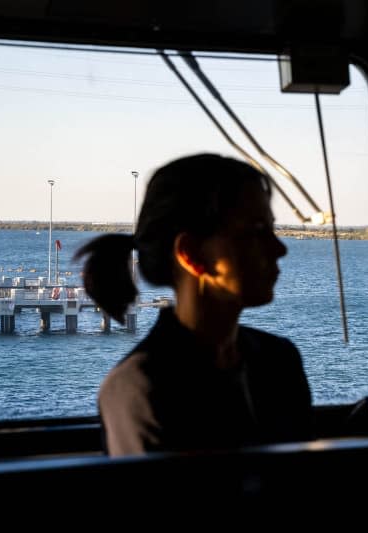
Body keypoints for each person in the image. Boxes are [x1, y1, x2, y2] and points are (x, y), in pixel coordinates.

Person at [75, 153, 314, 456]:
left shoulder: (279, 361)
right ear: (191, 254)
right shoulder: (140, 389)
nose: (279, 248)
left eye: (271, 229)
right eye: (256, 232)